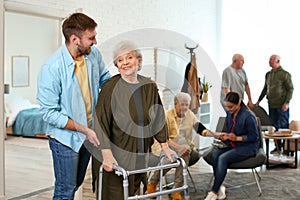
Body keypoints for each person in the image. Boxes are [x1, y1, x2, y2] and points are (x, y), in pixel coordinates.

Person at [37, 12, 111, 199]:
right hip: (65, 138)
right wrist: (84, 130)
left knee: (75, 183)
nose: (95, 42)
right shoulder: (52, 68)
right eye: (91, 38)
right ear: (74, 39)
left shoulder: (93, 55)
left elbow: (104, 79)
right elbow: (49, 113)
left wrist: (128, 83)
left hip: (87, 133)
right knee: (65, 189)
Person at [92, 40, 177, 199]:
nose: (124, 63)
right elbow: (100, 121)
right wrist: (107, 154)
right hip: (115, 153)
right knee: (116, 194)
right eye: (120, 60)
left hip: (139, 153)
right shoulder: (110, 88)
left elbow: (157, 118)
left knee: (134, 192)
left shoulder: (149, 86)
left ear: (139, 61)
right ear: (117, 65)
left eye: (129, 58)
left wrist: (165, 147)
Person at [148, 92, 215, 200]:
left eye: (186, 105)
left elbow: (200, 128)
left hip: (183, 148)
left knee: (184, 153)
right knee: (176, 155)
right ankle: (156, 183)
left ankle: (171, 186)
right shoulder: (167, 116)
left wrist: (214, 134)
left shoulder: (189, 114)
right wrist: (178, 148)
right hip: (165, 146)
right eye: (182, 104)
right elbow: (164, 138)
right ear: (175, 104)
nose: (184, 107)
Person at [204, 92, 259, 200]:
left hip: (248, 147)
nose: (228, 109)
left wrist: (237, 138)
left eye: (231, 107)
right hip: (233, 144)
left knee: (223, 158)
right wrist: (226, 136)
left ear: (238, 103)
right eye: (226, 106)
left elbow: (254, 137)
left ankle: (214, 191)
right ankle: (220, 187)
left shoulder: (248, 116)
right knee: (214, 154)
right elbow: (232, 131)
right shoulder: (230, 113)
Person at [256, 54, 294, 154]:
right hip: (271, 105)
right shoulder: (268, 74)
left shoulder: (285, 74)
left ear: (278, 61)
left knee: (283, 125)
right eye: (269, 60)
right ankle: (278, 147)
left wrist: (287, 102)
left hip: (282, 105)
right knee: (273, 126)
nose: (269, 61)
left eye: (272, 60)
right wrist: (259, 100)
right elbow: (265, 89)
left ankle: (286, 147)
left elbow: (290, 89)